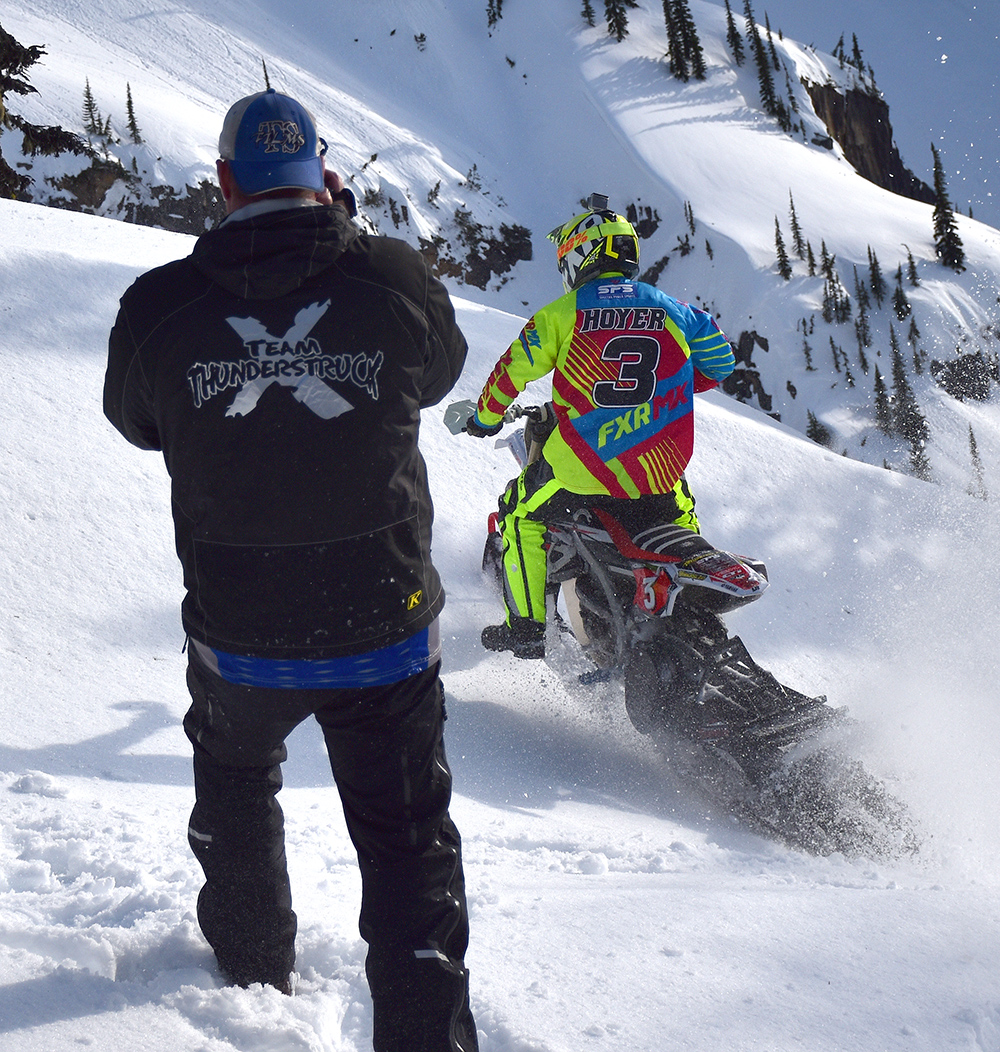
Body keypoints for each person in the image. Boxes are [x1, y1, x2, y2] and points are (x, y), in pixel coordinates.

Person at [104, 88, 478, 1052]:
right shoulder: (395, 276)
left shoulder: (158, 307)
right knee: (408, 846)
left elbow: (136, 421)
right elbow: (438, 372)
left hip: (239, 634)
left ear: (223, 183)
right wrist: (348, 254)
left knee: (234, 785)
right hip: (385, 626)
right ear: (326, 179)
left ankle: (250, 968)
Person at [464, 196, 736, 659]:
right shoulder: (675, 309)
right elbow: (721, 362)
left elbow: (510, 371)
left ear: (580, 256)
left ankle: (526, 629)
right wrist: (669, 384)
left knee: (518, 514)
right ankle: (684, 596)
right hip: (658, 472)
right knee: (680, 512)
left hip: (582, 471)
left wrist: (484, 419)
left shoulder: (562, 313)